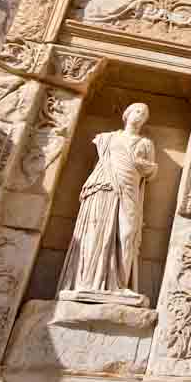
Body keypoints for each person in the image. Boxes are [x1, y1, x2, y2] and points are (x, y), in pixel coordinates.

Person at [58, 103, 158, 305]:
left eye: (144, 114)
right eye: (137, 111)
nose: (140, 115)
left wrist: (144, 165)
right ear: (126, 114)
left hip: (129, 190)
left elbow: (152, 171)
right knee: (96, 232)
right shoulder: (107, 138)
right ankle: (87, 282)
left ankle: (120, 285)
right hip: (103, 187)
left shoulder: (146, 144)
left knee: (128, 233)